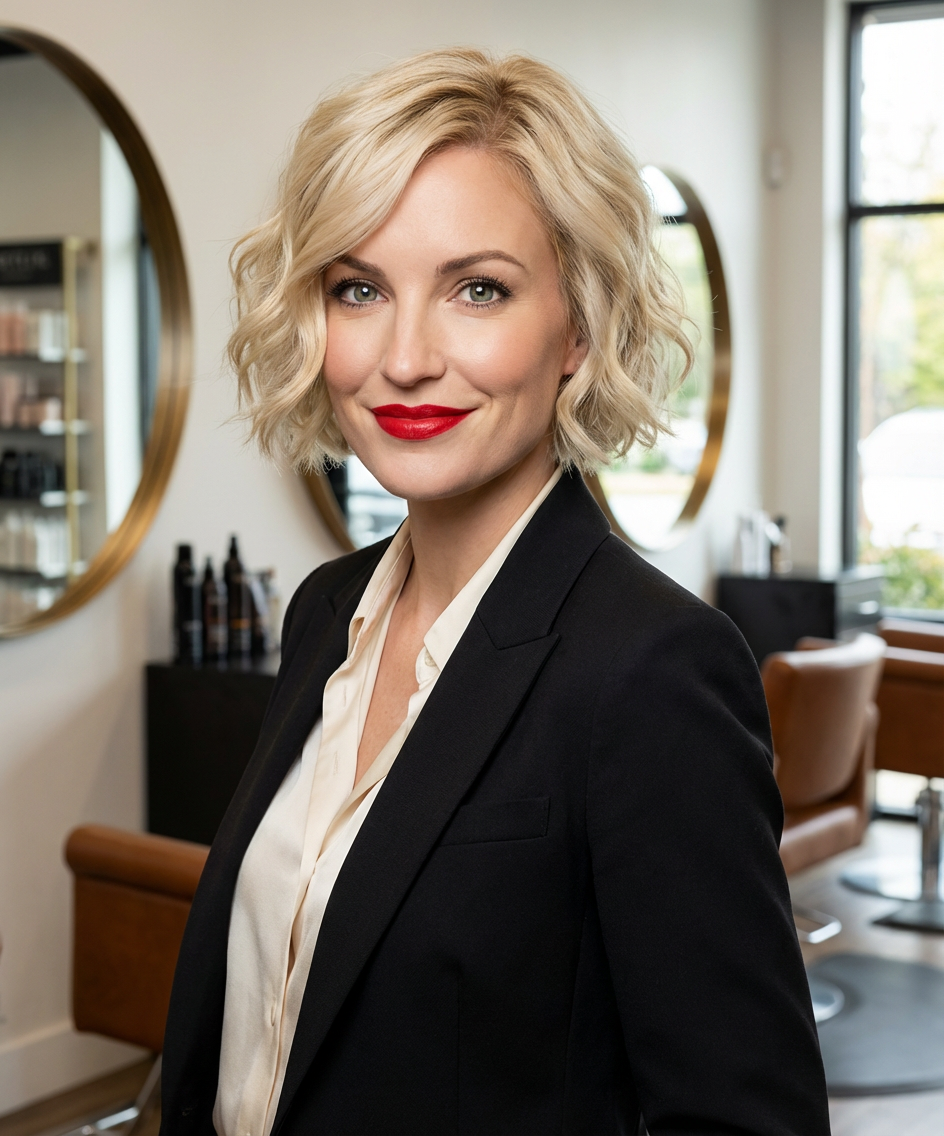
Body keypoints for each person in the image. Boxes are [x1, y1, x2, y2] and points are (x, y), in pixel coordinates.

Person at [161, 47, 829, 1136]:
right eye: (359, 288)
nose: (407, 357)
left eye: (478, 289)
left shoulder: (650, 667)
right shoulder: (325, 612)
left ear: (576, 327)